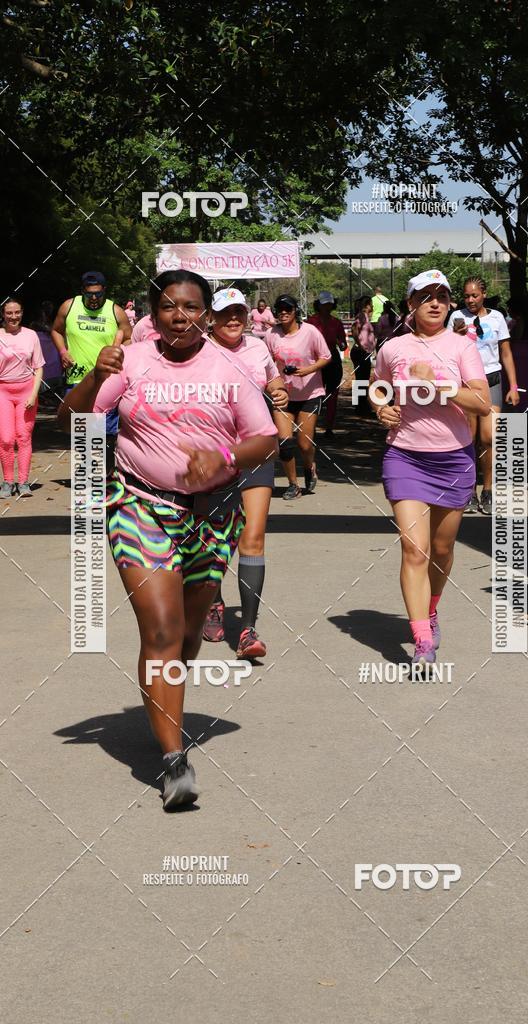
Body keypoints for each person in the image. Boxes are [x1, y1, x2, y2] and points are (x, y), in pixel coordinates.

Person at [57, 269, 278, 810]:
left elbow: (266, 440)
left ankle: (165, 702)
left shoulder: (229, 367)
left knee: (187, 636)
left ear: (206, 313)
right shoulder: (130, 361)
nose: (181, 317)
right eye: (169, 307)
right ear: (153, 315)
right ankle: (174, 760)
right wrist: (94, 377)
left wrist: (222, 457)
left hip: (211, 516)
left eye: (191, 307)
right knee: (160, 629)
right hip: (140, 507)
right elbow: (72, 420)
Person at [372, 269, 490, 665]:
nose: (435, 303)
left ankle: (432, 607)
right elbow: (377, 385)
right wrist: (381, 408)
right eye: (425, 296)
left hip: (453, 459)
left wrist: (438, 383)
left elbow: (481, 403)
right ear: (411, 304)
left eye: (441, 296)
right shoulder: (393, 348)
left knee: (441, 550)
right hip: (405, 457)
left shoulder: (461, 347)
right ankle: (422, 639)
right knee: (414, 549)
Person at [201, 287, 288, 657]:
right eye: (225, 314)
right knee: (213, 538)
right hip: (212, 455)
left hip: (255, 450)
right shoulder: (198, 350)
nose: (233, 319)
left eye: (239, 312)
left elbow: (274, 381)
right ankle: (213, 603)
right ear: (211, 318)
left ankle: (248, 631)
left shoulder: (257, 347)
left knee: (253, 537)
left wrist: (279, 392)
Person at [448, 276, 519, 514]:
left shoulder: (497, 318)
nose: (470, 300)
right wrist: (456, 336)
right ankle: (469, 490)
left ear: (484, 294)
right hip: (467, 383)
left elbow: (506, 353)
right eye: (466, 296)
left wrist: (513, 386)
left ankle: (488, 490)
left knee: (489, 438)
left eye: (475, 295)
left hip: (492, 381)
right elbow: (447, 350)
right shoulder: (456, 317)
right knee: (469, 438)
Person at [51, 270, 131, 440]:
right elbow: (56, 331)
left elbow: (129, 339)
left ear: (104, 290)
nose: (94, 298)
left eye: (98, 294)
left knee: (105, 437)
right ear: (82, 291)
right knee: (83, 437)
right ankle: (89, 458)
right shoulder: (69, 307)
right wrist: (63, 352)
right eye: (89, 294)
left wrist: (118, 351)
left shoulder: (115, 311)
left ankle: (106, 456)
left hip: (107, 381)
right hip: (78, 380)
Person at [265, 293, 331, 499]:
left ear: (296, 311)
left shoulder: (310, 331)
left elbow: (326, 356)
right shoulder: (271, 334)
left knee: (304, 444)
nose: (284, 313)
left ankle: (310, 467)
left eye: (288, 309)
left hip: (309, 394)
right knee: (285, 443)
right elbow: (266, 362)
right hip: (283, 395)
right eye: (280, 309)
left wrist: (307, 370)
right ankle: (293, 485)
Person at [0, 297, 45, 497]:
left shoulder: (31, 335)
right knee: (6, 439)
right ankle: (8, 482)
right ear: (3, 315)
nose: (13, 316)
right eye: (9, 313)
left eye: (17, 312)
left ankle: (23, 482)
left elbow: (39, 367)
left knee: (24, 436)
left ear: (22, 313)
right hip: (3, 391)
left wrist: (34, 394)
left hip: (27, 391)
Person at [307, 291, 347, 436]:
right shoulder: (311, 322)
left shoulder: (336, 322)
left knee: (332, 394)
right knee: (314, 394)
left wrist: (341, 343)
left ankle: (329, 427)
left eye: (330, 304)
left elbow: (343, 345)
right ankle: (310, 426)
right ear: (318, 305)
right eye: (324, 304)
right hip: (315, 360)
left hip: (333, 360)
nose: (327, 307)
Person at [350, 296, 375, 416]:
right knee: (362, 379)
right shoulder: (362, 316)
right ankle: (360, 406)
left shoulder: (365, 317)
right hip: (360, 351)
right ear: (367, 305)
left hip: (364, 351)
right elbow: (354, 329)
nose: (372, 306)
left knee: (362, 378)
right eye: (371, 304)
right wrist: (360, 345)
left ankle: (360, 405)